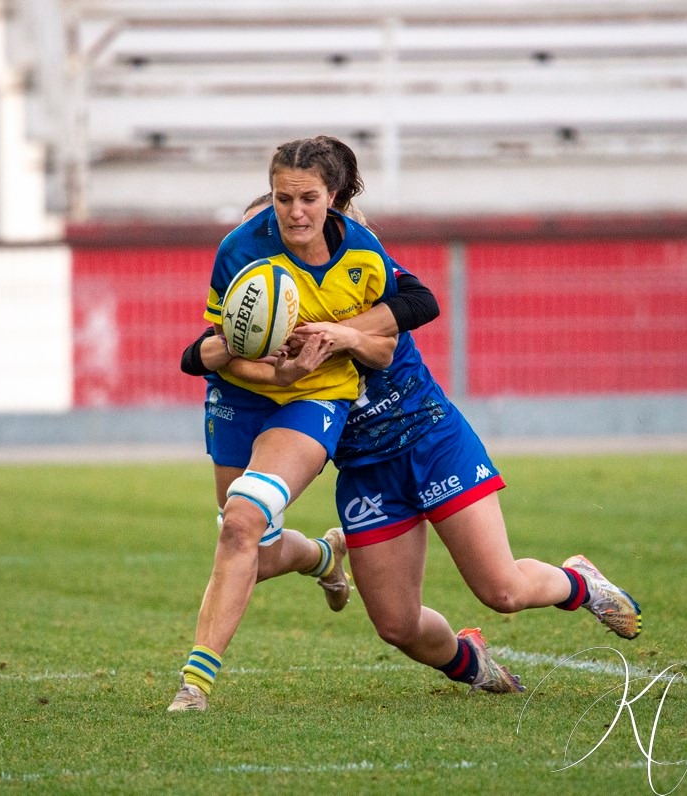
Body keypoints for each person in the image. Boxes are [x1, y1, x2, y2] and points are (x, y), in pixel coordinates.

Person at [180, 195, 642, 705]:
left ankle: (579, 584)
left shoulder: (365, 287)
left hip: (431, 440)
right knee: (397, 626)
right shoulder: (273, 316)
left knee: (502, 590)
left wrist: (342, 334)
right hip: (366, 470)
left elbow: (409, 315)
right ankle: (471, 662)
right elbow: (205, 352)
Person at [167, 136, 410, 713]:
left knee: (240, 523)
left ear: (333, 198)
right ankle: (324, 556)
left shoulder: (364, 253)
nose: (295, 212)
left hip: (316, 398)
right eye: (283, 199)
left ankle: (194, 684)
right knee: (260, 548)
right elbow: (220, 346)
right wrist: (277, 371)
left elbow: (387, 343)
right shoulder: (240, 250)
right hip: (240, 398)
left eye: (308, 199)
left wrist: (336, 346)